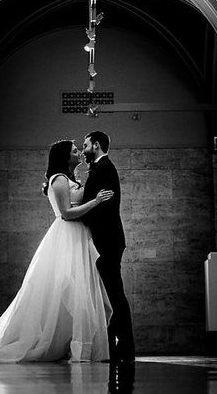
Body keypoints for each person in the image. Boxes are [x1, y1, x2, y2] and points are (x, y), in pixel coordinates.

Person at [0, 139, 113, 363]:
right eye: (75, 151)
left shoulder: (70, 179)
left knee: (80, 293)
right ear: (65, 156)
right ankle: (75, 347)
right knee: (71, 290)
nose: (79, 153)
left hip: (78, 237)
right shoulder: (59, 179)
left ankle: (74, 345)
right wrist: (95, 202)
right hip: (67, 236)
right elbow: (66, 213)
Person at [81, 131, 135, 362]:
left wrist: (74, 215)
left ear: (96, 145)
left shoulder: (103, 168)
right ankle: (115, 345)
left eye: (85, 145)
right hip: (107, 239)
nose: (83, 150)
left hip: (107, 240)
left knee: (114, 294)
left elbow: (102, 208)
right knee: (111, 294)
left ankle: (124, 348)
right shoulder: (101, 167)